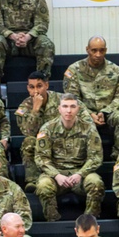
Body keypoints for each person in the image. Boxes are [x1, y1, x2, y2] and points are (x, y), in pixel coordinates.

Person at [34, 93, 103, 221]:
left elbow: (96, 157)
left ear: (78, 109)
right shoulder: (47, 129)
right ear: (59, 109)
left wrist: (80, 174)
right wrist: (56, 175)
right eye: (65, 106)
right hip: (56, 174)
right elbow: (41, 158)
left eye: (72, 106)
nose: (69, 110)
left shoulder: (88, 129)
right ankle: (53, 221)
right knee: (43, 185)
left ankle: (89, 221)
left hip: (80, 174)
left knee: (95, 182)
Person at [63, 36, 119, 160]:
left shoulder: (116, 70)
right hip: (83, 115)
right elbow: (72, 99)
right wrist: (89, 114)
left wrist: (105, 112)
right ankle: (81, 159)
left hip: (108, 115)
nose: (98, 54)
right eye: (94, 50)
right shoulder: (74, 70)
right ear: (87, 50)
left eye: (101, 50)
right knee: (71, 116)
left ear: (106, 50)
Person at [13, 71, 62, 191]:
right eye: (32, 87)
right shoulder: (24, 107)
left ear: (46, 85)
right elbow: (27, 132)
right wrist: (35, 110)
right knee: (28, 141)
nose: (36, 91)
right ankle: (32, 180)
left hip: (61, 139)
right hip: (40, 143)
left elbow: (82, 112)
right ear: (28, 88)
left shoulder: (61, 99)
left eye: (39, 86)